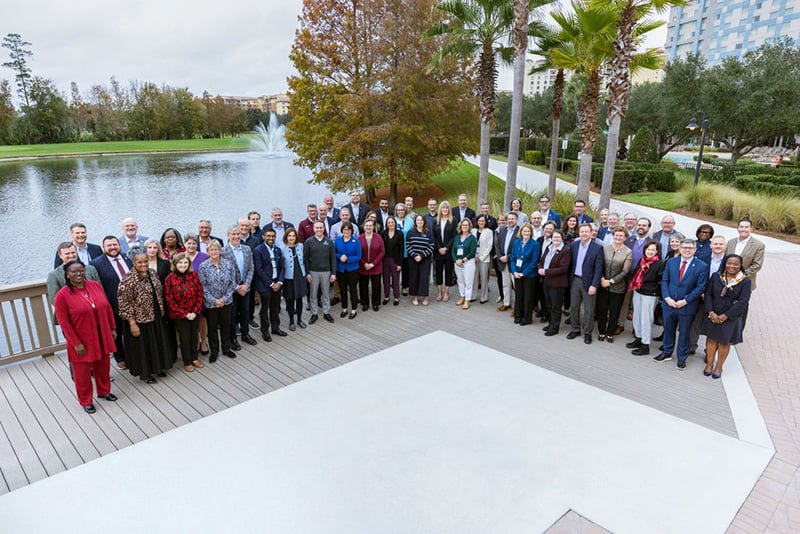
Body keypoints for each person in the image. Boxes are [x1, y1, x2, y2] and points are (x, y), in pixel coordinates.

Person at [54, 260, 118, 414]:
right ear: (67, 275)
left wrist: (112, 327)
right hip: (81, 338)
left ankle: (104, 391)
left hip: (101, 332)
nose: (78, 274)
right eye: (74, 272)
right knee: (82, 372)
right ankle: (86, 401)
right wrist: (76, 343)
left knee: (103, 364)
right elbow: (64, 323)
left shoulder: (95, 285)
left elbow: (107, 307)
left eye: (81, 271)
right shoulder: (62, 296)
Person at [118, 247, 174, 383]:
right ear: (134, 263)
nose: (143, 265)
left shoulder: (153, 274)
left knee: (157, 342)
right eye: (140, 263)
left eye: (145, 262)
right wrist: (132, 323)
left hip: (155, 315)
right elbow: (125, 304)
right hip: (140, 319)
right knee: (144, 347)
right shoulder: (127, 280)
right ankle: (145, 373)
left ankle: (158, 367)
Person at [654, 239, 708, 370]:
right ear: (680, 248)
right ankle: (667, 352)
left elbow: (700, 287)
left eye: (690, 248)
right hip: (669, 304)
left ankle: (682, 358)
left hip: (687, 305)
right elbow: (665, 280)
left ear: (695, 250)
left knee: (684, 333)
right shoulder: (672, 262)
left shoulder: (702, 266)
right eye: (684, 247)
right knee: (668, 329)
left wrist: (685, 300)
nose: (687, 250)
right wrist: (666, 298)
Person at [701, 254, 752, 379]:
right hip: (713, 314)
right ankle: (709, 364)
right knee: (711, 340)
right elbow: (708, 294)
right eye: (729, 263)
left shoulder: (745, 281)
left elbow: (743, 302)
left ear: (740, 266)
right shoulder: (716, 277)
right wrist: (711, 312)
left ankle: (719, 366)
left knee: (724, 342)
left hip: (731, 317)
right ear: (725, 263)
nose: (732, 266)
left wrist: (726, 316)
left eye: (735, 264)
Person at [90, 236, 131, 369]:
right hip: (112, 304)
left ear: (119, 245)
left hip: (132, 302)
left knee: (132, 330)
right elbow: (96, 286)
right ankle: (120, 357)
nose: (113, 247)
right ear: (103, 248)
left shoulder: (128, 257)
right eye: (109, 245)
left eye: (115, 244)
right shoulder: (96, 264)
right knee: (116, 332)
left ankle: (133, 355)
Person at [163, 253, 205, 372]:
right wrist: (185, 314)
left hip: (194, 312)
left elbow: (200, 294)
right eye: (180, 263)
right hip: (180, 315)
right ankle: (187, 361)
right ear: (175, 264)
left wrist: (195, 311)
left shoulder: (194, 275)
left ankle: (194, 358)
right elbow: (169, 300)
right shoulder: (169, 279)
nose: (183, 265)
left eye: (185, 262)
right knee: (184, 337)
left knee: (194, 335)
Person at [198, 240, 238, 362]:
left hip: (226, 301)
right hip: (211, 304)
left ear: (220, 251)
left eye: (216, 249)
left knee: (226, 326)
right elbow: (202, 286)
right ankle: (214, 351)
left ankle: (226, 348)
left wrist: (224, 299)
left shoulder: (228, 264)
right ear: (208, 252)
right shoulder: (203, 266)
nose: (214, 252)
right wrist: (214, 301)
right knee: (212, 327)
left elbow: (233, 283)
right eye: (211, 250)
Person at [567, 224, 604, 344]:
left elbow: (599, 269)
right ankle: (575, 329)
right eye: (582, 231)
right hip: (575, 280)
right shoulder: (574, 245)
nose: (584, 234)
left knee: (589, 310)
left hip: (589, 282)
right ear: (579, 233)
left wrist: (594, 285)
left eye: (586, 231)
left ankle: (587, 333)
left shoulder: (597, 248)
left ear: (591, 233)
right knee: (574, 307)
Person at [627, 241, 664, 356]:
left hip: (650, 294)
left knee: (646, 319)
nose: (650, 252)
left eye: (653, 250)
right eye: (648, 249)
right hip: (638, 291)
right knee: (636, 316)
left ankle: (645, 345)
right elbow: (635, 274)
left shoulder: (659, 264)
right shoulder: (642, 261)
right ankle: (638, 338)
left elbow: (659, 280)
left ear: (657, 251)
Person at [596, 227, 632, 343]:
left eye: (621, 235)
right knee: (601, 310)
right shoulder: (605, 249)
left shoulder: (628, 252)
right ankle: (601, 331)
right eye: (616, 235)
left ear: (625, 237)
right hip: (603, 284)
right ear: (613, 236)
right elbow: (599, 265)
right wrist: (602, 279)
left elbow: (625, 271)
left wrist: (611, 281)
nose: (618, 237)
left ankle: (610, 333)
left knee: (614, 311)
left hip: (618, 287)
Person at [253, 228, 286, 341]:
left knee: (275, 307)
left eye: (273, 236)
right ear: (263, 237)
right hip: (264, 284)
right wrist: (271, 284)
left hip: (277, 282)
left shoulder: (277, 249)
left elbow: (282, 267)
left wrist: (280, 282)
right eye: (268, 236)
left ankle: (275, 328)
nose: (271, 238)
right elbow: (259, 269)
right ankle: (265, 330)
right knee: (264, 308)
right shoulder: (258, 250)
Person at [538, 230, 571, 336]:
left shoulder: (565, 250)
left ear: (562, 238)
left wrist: (546, 271)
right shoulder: (549, 247)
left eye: (558, 237)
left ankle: (554, 328)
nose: (556, 239)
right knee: (549, 305)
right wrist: (539, 268)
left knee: (556, 307)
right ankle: (550, 323)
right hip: (546, 281)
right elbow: (542, 261)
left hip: (557, 283)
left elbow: (563, 268)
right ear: (551, 238)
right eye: (554, 237)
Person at [48, 242, 101, 307]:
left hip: (95, 307)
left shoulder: (91, 269)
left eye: (73, 252)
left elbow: (100, 291)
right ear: (60, 255)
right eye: (67, 254)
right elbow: (55, 300)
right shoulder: (54, 275)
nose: (71, 256)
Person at [304, 221, 337, 324]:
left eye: (321, 227)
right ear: (314, 229)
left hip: (326, 271)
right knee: (313, 294)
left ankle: (326, 312)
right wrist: (307, 273)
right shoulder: (309, 241)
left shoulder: (329, 241)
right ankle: (314, 313)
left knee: (326, 293)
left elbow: (333, 258)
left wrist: (333, 273)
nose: (319, 229)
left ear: (324, 228)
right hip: (313, 271)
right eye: (317, 228)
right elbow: (305, 258)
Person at [183, 232, 210, 355]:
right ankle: (194, 341)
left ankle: (203, 341)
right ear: (184, 244)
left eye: (194, 243)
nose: (192, 246)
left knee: (201, 319)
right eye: (189, 243)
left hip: (201, 293)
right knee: (189, 319)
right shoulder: (180, 257)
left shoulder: (204, 256)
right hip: (185, 295)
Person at [510, 223, 541, 325]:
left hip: (529, 276)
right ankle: (518, 315)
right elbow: (513, 258)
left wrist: (523, 273)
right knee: (519, 296)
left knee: (527, 298)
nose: (526, 233)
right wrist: (514, 271)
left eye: (528, 231)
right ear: (521, 232)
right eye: (524, 231)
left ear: (531, 232)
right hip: (517, 273)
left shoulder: (535, 244)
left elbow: (534, 262)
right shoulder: (517, 242)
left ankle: (526, 318)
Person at [725, 218, 765, 291]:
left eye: (746, 227)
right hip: (728, 280)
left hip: (745, 281)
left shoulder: (758, 245)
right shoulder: (731, 242)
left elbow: (757, 265)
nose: (743, 229)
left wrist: (739, 275)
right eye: (741, 227)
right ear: (737, 228)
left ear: (751, 229)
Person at [281, 228, 308, 331]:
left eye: (293, 236)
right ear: (286, 237)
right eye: (289, 236)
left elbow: (304, 260)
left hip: (300, 276)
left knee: (300, 299)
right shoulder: (282, 248)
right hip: (289, 277)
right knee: (290, 300)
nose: (291, 238)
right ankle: (291, 321)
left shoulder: (300, 246)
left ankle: (300, 320)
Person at [406, 214, 435, 306]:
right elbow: (408, 245)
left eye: (421, 220)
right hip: (413, 259)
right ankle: (415, 297)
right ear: (415, 222)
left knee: (424, 278)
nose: (419, 222)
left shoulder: (428, 233)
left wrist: (421, 256)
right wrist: (415, 256)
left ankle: (425, 297)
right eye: (418, 220)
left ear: (424, 222)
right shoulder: (410, 233)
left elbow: (431, 246)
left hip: (425, 259)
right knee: (414, 278)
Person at [335, 222, 361, 319]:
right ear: (342, 230)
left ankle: (354, 310)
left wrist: (348, 259)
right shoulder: (337, 241)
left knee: (353, 290)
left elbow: (359, 256)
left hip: (352, 269)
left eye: (349, 230)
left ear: (351, 231)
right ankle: (344, 308)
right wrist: (340, 256)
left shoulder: (356, 241)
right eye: (345, 229)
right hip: (341, 269)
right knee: (342, 290)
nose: (347, 231)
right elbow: (335, 253)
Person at [432, 200, 457, 302]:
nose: (445, 210)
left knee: (448, 272)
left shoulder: (453, 220)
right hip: (438, 251)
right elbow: (433, 236)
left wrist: (446, 248)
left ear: (449, 209)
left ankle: (446, 292)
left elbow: (454, 236)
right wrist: (439, 248)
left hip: (448, 251)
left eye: (446, 208)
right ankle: (439, 292)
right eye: (443, 208)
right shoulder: (435, 220)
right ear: (440, 209)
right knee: (438, 272)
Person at [358, 220, 384, 312]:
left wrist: (373, 264)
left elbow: (382, 252)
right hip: (363, 266)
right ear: (364, 227)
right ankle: (365, 303)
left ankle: (375, 303)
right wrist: (364, 263)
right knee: (363, 286)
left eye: (370, 225)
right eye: (367, 225)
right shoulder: (359, 238)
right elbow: (357, 253)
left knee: (376, 286)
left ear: (373, 227)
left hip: (376, 266)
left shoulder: (379, 237)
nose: (368, 227)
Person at [495, 212, 519, 312]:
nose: (510, 220)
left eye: (512, 219)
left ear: (516, 220)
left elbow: (518, 248)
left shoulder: (519, 231)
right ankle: (506, 303)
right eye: (508, 219)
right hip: (503, 262)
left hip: (513, 263)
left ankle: (517, 307)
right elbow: (497, 245)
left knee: (516, 286)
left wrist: (508, 257)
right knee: (506, 284)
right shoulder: (503, 230)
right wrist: (500, 257)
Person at [452, 218, 478, 310]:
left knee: (468, 282)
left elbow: (472, 251)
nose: (465, 227)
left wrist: (463, 260)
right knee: (460, 281)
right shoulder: (457, 237)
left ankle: (467, 300)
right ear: (460, 226)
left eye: (467, 225)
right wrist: (456, 260)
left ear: (469, 227)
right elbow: (453, 251)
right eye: (463, 225)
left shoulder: (472, 238)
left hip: (468, 263)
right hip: (457, 263)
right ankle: (462, 297)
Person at [471, 214, 494, 304]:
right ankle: (474, 295)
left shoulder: (489, 232)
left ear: (485, 222)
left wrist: (481, 257)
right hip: (473, 257)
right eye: (479, 221)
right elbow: (471, 244)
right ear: (477, 222)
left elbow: (489, 246)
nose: (481, 222)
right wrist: (473, 255)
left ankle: (484, 296)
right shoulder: (473, 230)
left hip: (484, 258)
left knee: (484, 278)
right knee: (474, 278)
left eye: (482, 221)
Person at [380, 216, 403, 306]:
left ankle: (396, 297)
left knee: (395, 279)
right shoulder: (383, 233)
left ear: (395, 223)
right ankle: (386, 297)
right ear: (386, 224)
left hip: (395, 260)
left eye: (392, 222)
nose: (391, 224)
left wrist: (399, 263)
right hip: (385, 260)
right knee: (386, 279)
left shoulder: (399, 234)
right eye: (389, 223)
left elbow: (401, 249)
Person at [394, 203, 414, 295]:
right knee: (395, 269)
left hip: (406, 249)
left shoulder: (410, 221)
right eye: (398, 210)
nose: (400, 212)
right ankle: (395, 287)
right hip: (395, 250)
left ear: (405, 211)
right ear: (396, 211)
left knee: (406, 269)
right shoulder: (393, 220)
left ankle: (405, 286)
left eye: (402, 210)